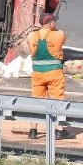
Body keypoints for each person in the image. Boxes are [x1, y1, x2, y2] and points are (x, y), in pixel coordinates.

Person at [27, 12, 73, 140]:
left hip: (37, 73)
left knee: (36, 101)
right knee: (57, 99)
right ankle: (59, 130)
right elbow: (63, 38)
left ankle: (33, 130)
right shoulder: (58, 34)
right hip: (54, 72)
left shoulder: (32, 35)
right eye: (54, 21)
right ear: (50, 23)